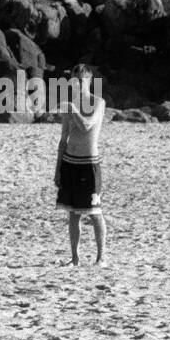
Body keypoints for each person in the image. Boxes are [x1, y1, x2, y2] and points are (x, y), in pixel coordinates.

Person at [54, 63, 106, 266]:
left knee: (95, 213)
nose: (77, 83)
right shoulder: (71, 105)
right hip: (70, 162)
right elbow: (63, 138)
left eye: (81, 80)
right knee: (73, 213)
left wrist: (72, 107)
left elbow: (86, 125)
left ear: (89, 81)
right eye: (74, 80)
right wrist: (57, 168)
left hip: (89, 163)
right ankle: (75, 258)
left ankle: (101, 257)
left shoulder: (98, 102)